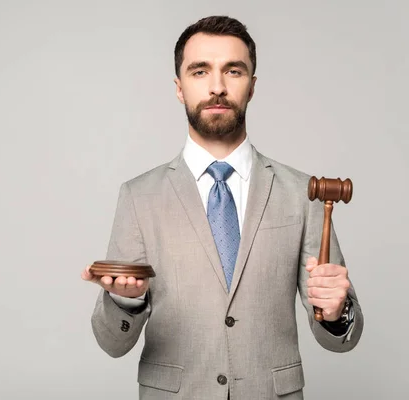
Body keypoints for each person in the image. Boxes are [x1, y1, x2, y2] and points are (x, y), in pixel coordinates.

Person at [81, 15, 363, 399]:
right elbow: (112, 344)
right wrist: (124, 300)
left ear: (252, 86)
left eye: (233, 71)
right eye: (200, 72)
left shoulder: (303, 193)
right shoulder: (138, 196)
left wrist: (335, 310)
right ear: (180, 88)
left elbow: (341, 339)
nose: (217, 87)